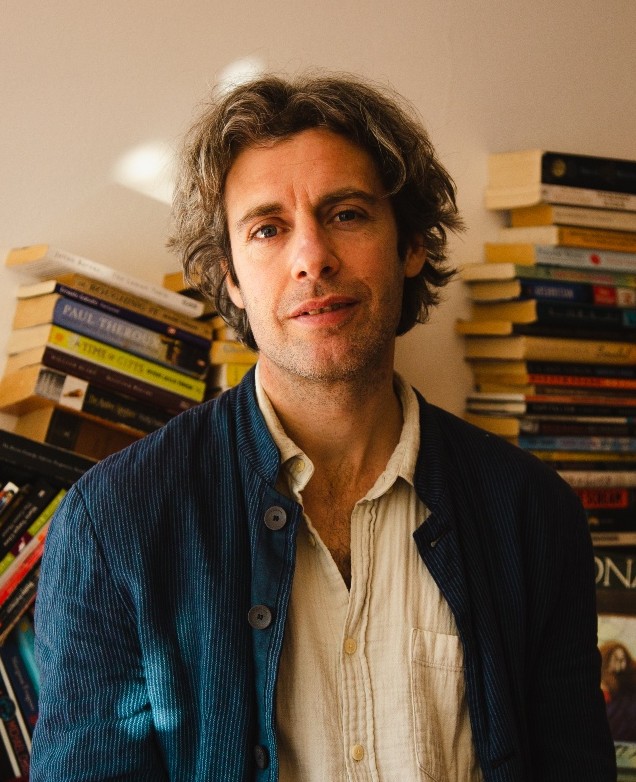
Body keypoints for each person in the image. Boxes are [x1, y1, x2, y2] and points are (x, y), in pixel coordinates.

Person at [30, 73, 616, 781]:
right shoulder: (113, 523)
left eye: (346, 214)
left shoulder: (532, 513)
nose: (312, 257)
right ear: (231, 277)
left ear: (411, 244)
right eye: (268, 229)